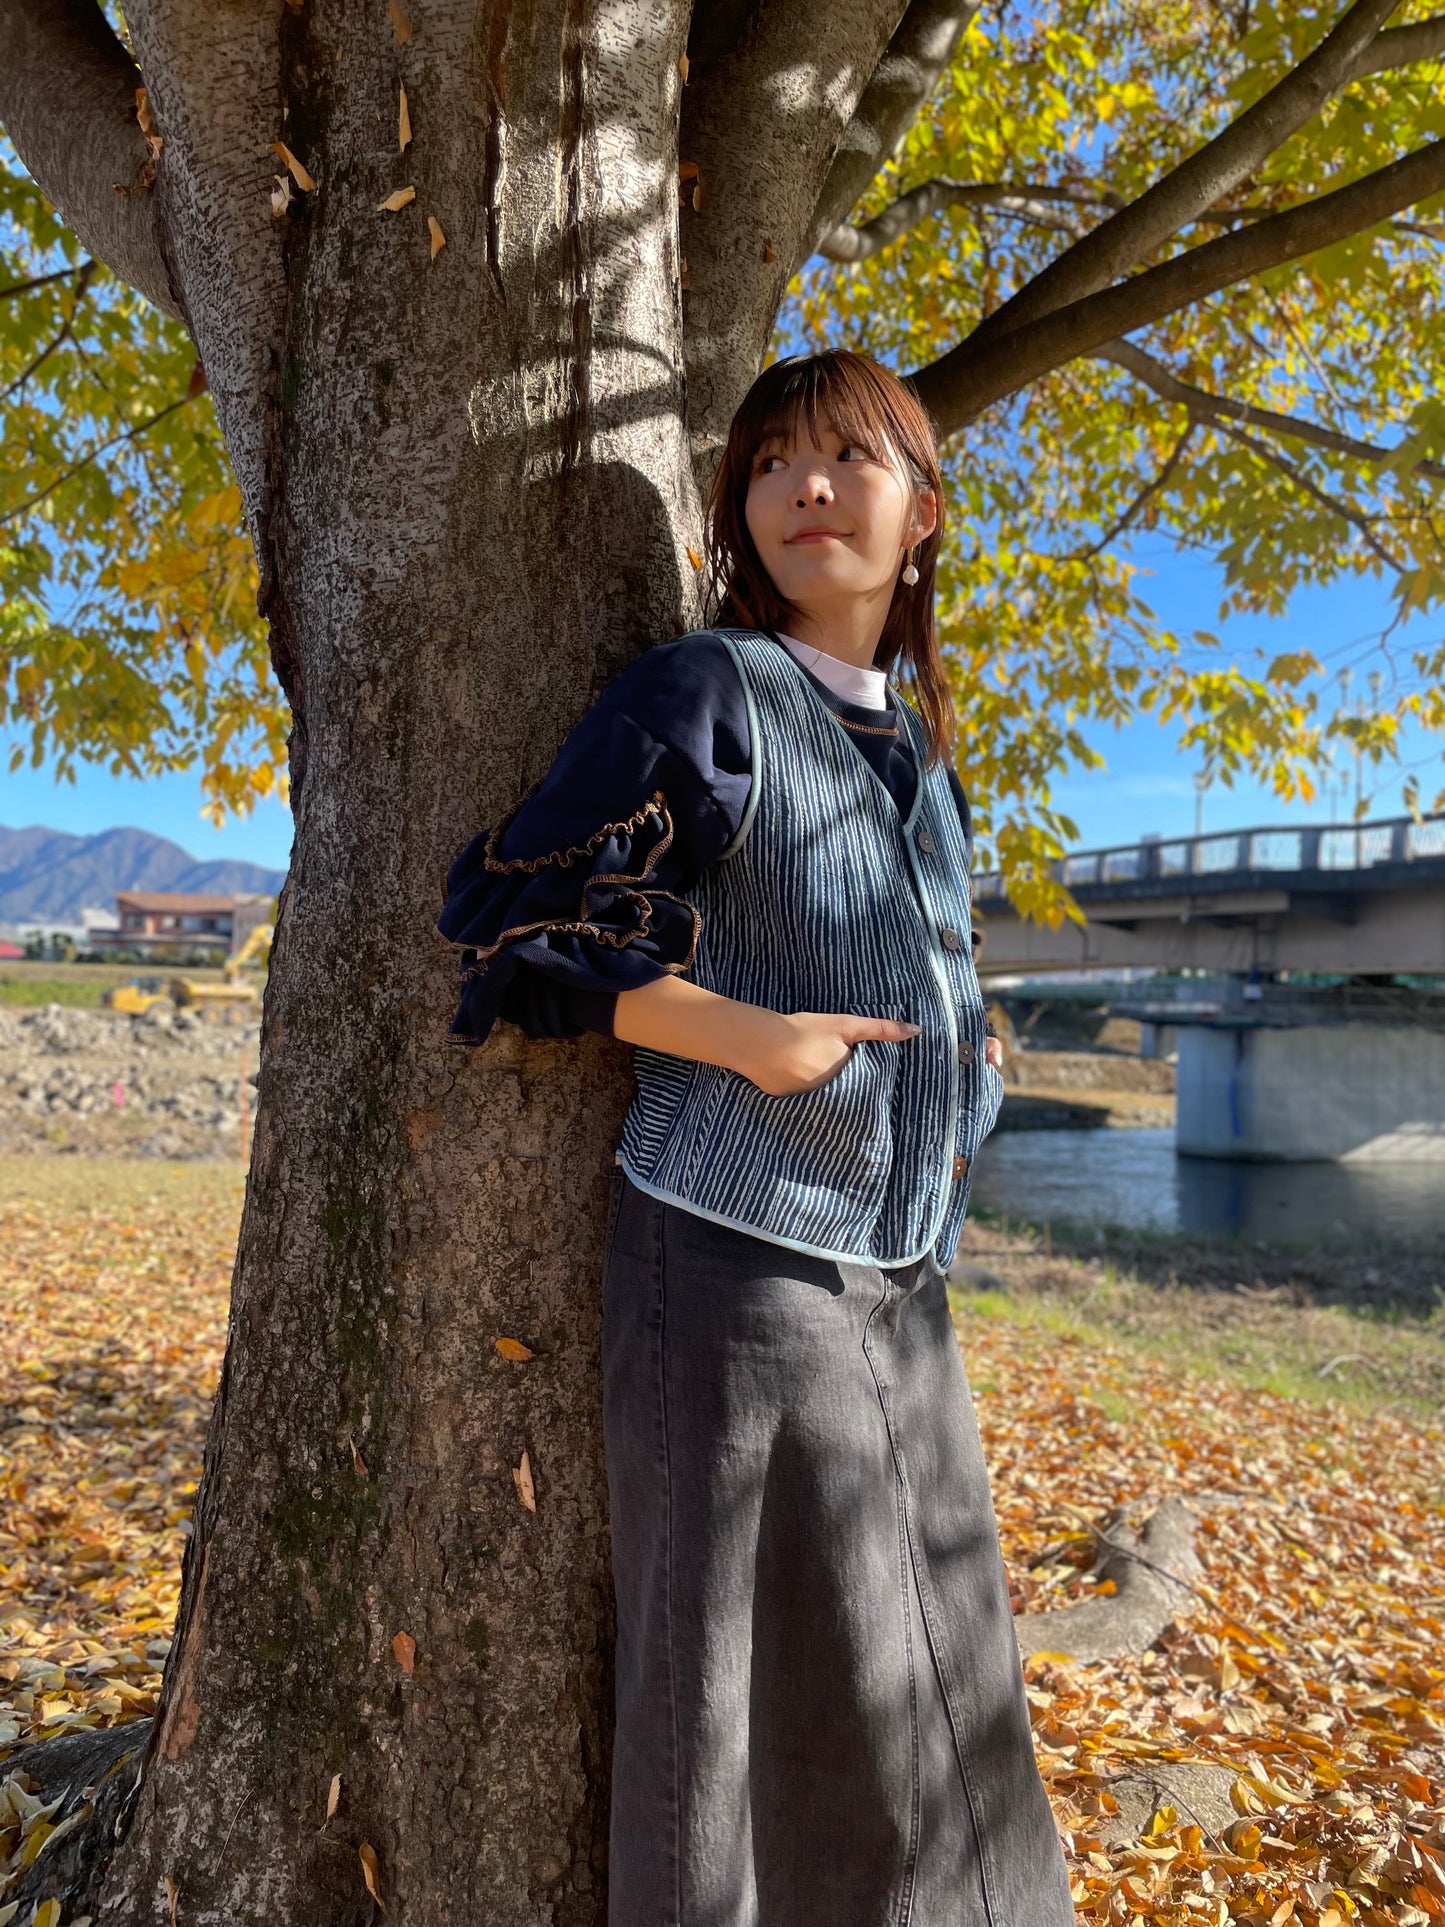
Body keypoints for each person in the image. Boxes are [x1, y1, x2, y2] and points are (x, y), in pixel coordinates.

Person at [436, 350, 1074, 1926]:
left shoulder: (918, 752)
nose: (805, 488)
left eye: (848, 459)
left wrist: (972, 1064)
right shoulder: (708, 690)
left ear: (920, 514)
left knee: (925, 1666)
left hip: (899, 1279)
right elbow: (506, 923)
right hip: (729, 1262)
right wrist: (753, 1042)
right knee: (720, 1687)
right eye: (773, 463)